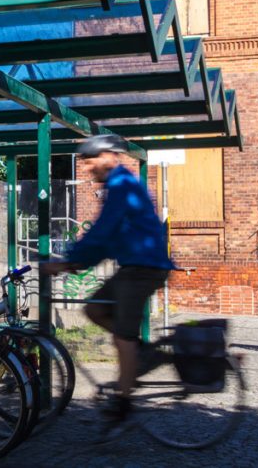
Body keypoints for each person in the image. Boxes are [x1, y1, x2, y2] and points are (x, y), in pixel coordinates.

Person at [40, 134, 174, 435]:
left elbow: (102, 232)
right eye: (85, 161)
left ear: (110, 157)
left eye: (92, 160)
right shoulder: (119, 186)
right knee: (95, 309)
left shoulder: (122, 186)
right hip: (134, 264)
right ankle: (143, 354)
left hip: (144, 267)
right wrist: (76, 261)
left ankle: (123, 406)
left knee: (122, 337)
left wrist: (67, 263)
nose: (88, 167)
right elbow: (107, 237)